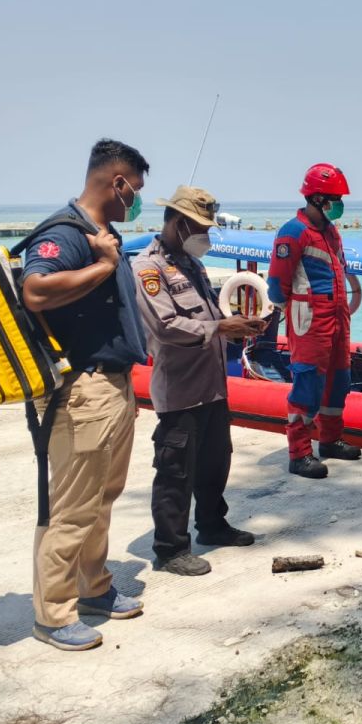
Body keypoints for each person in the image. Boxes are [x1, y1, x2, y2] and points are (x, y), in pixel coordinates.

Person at [21, 139, 151, 651]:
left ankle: (94, 587)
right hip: (81, 391)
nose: (136, 200)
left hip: (113, 385)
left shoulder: (103, 234)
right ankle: (52, 614)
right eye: (134, 191)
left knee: (103, 497)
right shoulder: (65, 233)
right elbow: (35, 290)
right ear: (116, 182)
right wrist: (100, 267)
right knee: (72, 506)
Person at [133, 186, 268, 577]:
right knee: (176, 470)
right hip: (181, 390)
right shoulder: (149, 268)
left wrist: (236, 329)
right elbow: (166, 326)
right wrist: (220, 326)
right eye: (200, 228)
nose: (206, 237)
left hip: (212, 385)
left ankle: (212, 524)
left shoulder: (191, 265)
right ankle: (171, 548)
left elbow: (206, 317)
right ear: (178, 224)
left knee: (214, 461)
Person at [266, 163, 362, 479]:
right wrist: (293, 311)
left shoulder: (331, 232)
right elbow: (277, 283)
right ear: (318, 197)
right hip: (310, 318)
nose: (339, 204)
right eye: (335, 197)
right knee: (308, 382)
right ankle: (299, 453)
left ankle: (330, 440)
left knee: (339, 379)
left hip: (337, 317)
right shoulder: (293, 232)